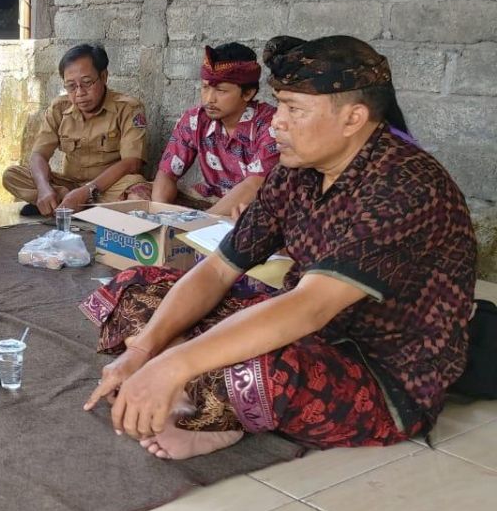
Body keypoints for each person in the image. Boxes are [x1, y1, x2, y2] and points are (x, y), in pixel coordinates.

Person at [80, 36, 476, 460]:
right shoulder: (297, 171)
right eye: (280, 105)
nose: (276, 123)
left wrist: (172, 363)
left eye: (294, 109)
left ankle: (218, 414)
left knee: (262, 368)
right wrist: (144, 350)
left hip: (379, 373)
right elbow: (219, 270)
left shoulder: (403, 185)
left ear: (353, 118)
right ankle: (198, 388)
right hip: (303, 325)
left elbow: (309, 308)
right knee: (135, 286)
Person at [2, 43, 151, 217]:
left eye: (87, 83)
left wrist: (87, 191)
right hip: (69, 185)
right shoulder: (59, 108)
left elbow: (132, 163)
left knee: (137, 189)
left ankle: (66, 206)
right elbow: (38, 155)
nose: (80, 92)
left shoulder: (128, 108)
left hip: (107, 188)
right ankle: (65, 202)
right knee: (12, 175)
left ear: (104, 77)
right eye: (71, 86)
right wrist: (43, 188)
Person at [152, 42, 280, 216]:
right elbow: (167, 173)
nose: (209, 99)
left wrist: (201, 224)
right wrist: (160, 214)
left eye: (221, 90)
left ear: (248, 93)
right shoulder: (194, 120)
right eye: (205, 87)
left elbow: (253, 185)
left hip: (251, 205)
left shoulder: (270, 125)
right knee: (140, 193)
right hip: (212, 199)